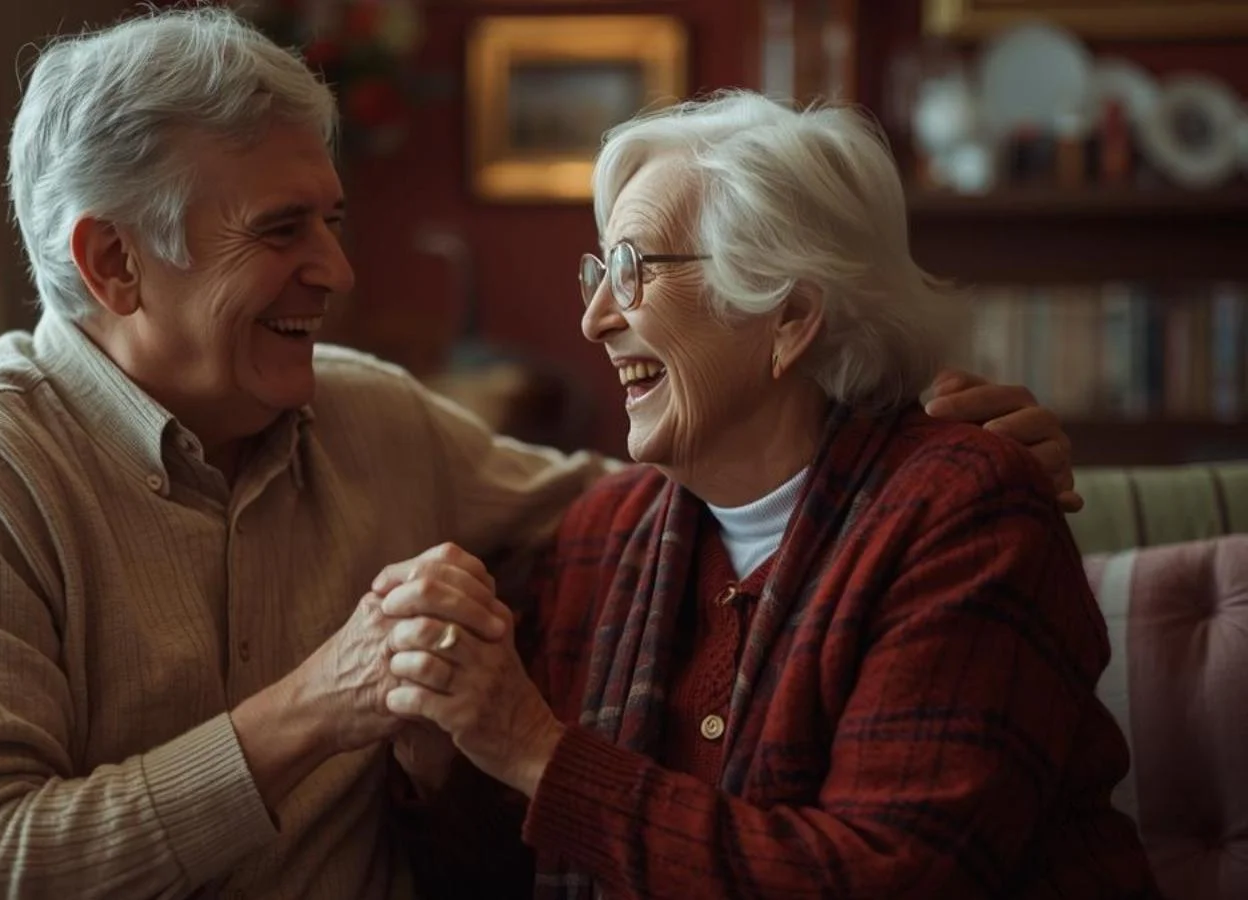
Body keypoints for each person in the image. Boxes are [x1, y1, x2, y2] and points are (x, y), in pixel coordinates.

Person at [0, 10, 1082, 899]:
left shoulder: (374, 419)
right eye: (281, 232)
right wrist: (319, 707)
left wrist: (914, 423)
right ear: (111, 261)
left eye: (329, 220)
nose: (336, 270)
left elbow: (673, 507)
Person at [382, 92, 1158, 899]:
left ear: (787, 317)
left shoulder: (964, 516)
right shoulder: (602, 534)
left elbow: (889, 879)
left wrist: (536, 750)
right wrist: (441, 757)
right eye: (598, 270)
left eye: (632, 270)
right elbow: (515, 868)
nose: (594, 318)